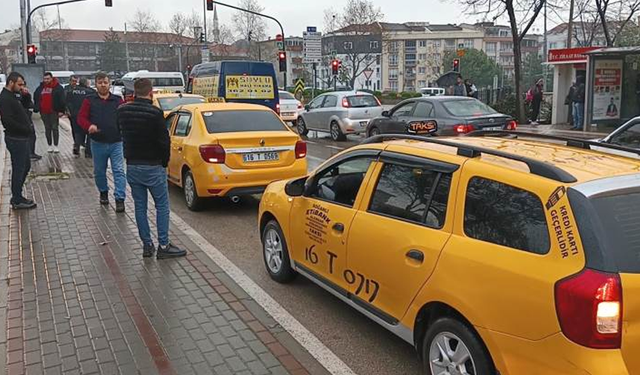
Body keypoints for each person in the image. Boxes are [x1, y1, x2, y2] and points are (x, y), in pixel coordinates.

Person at [117, 78, 186, 259]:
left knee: (140, 207)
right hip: (153, 166)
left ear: (133, 92)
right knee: (162, 206)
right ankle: (163, 245)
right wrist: (164, 162)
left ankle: (147, 245)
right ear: (151, 92)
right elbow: (164, 142)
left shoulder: (122, 111)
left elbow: (121, 133)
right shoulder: (155, 113)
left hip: (132, 165)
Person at [78, 72, 126, 212]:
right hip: (98, 142)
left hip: (116, 142)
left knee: (118, 170)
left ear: (109, 84)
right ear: (96, 84)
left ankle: (119, 198)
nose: (103, 85)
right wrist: (89, 126)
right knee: (99, 171)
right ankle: (103, 192)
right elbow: (81, 117)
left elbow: (124, 116)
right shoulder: (89, 100)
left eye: (105, 82)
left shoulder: (117, 100)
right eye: (100, 82)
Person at [0, 72, 37, 210]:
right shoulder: (5, 98)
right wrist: (25, 129)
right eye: (19, 84)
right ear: (11, 83)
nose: (22, 87)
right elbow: (8, 121)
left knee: (25, 166)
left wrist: (26, 95)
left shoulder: (15, 96)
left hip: (21, 138)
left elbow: (28, 105)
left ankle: (18, 195)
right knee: (19, 168)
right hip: (15, 138)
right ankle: (16, 199)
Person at [34, 72, 66, 153]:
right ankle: (49, 145)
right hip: (44, 111)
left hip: (54, 111)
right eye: (45, 79)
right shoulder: (40, 88)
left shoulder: (58, 88)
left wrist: (61, 110)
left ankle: (56, 145)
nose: (46, 80)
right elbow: (36, 97)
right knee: (47, 128)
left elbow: (62, 99)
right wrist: (37, 107)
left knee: (55, 128)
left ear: (52, 78)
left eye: (48, 78)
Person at [67, 77, 95, 158]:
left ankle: (76, 147)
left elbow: (67, 102)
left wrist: (70, 111)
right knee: (89, 133)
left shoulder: (72, 91)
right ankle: (88, 152)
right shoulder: (90, 92)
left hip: (75, 115)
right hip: (87, 115)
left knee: (77, 132)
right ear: (86, 83)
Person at [17, 83, 42, 160]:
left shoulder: (24, 94)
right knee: (29, 135)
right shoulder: (16, 95)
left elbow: (29, 104)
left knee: (31, 135)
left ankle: (31, 152)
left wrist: (27, 95)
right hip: (23, 118)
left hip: (27, 117)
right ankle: (29, 153)